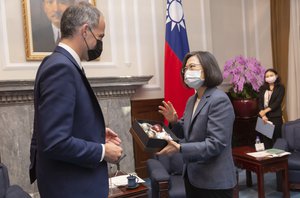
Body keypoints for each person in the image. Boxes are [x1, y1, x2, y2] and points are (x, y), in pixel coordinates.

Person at [29, 2, 123, 198]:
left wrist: (94, 132)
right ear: (86, 31)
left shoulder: (59, 62)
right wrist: (102, 151)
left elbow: (59, 125)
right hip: (72, 188)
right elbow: (55, 141)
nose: (100, 44)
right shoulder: (61, 68)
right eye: (100, 37)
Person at [158, 51, 237, 198]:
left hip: (214, 182)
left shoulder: (219, 99)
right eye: (185, 69)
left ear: (207, 68)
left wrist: (180, 148)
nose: (187, 72)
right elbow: (187, 132)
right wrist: (174, 121)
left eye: (192, 67)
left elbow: (216, 144)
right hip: (192, 177)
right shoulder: (191, 100)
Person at [258, 68, 285, 149]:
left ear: (276, 76)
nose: (269, 77)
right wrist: (263, 115)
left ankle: (277, 160)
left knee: (276, 140)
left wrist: (264, 111)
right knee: (266, 140)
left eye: (271, 75)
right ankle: (268, 160)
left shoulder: (280, 87)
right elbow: (260, 102)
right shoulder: (262, 88)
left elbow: (277, 102)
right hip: (264, 118)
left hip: (275, 117)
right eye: (267, 76)